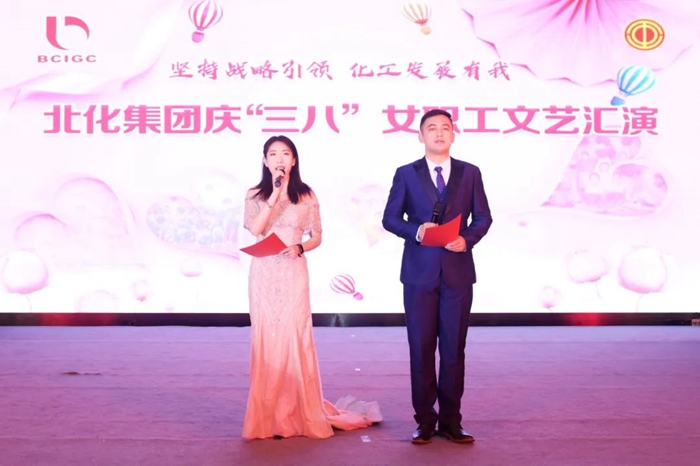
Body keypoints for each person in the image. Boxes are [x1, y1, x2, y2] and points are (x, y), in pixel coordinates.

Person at [242, 135, 382, 440]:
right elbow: (255, 228)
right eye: (273, 154)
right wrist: (274, 196)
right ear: (265, 160)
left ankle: (298, 410)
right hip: (263, 273)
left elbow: (316, 235)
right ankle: (267, 416)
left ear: (294, 160)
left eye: (285, 153)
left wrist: (300, 247)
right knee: (267, 337)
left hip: (293, 270)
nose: (279, 159)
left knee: (295, 335)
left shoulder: (306, 195)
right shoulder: (255, 194)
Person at [381, 109, 492, 445]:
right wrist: (417, 231)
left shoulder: (470, 173)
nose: (439, 133)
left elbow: (483, 217)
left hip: (458, 273)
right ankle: (425, 421)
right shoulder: (406, 173)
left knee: (454, 348)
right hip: (419, 274)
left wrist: (466, 239)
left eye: (445, 127)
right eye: (432, 128)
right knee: (421, 347)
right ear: (421, 136)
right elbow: (390, 218)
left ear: (453, 135)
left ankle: (452, 421)